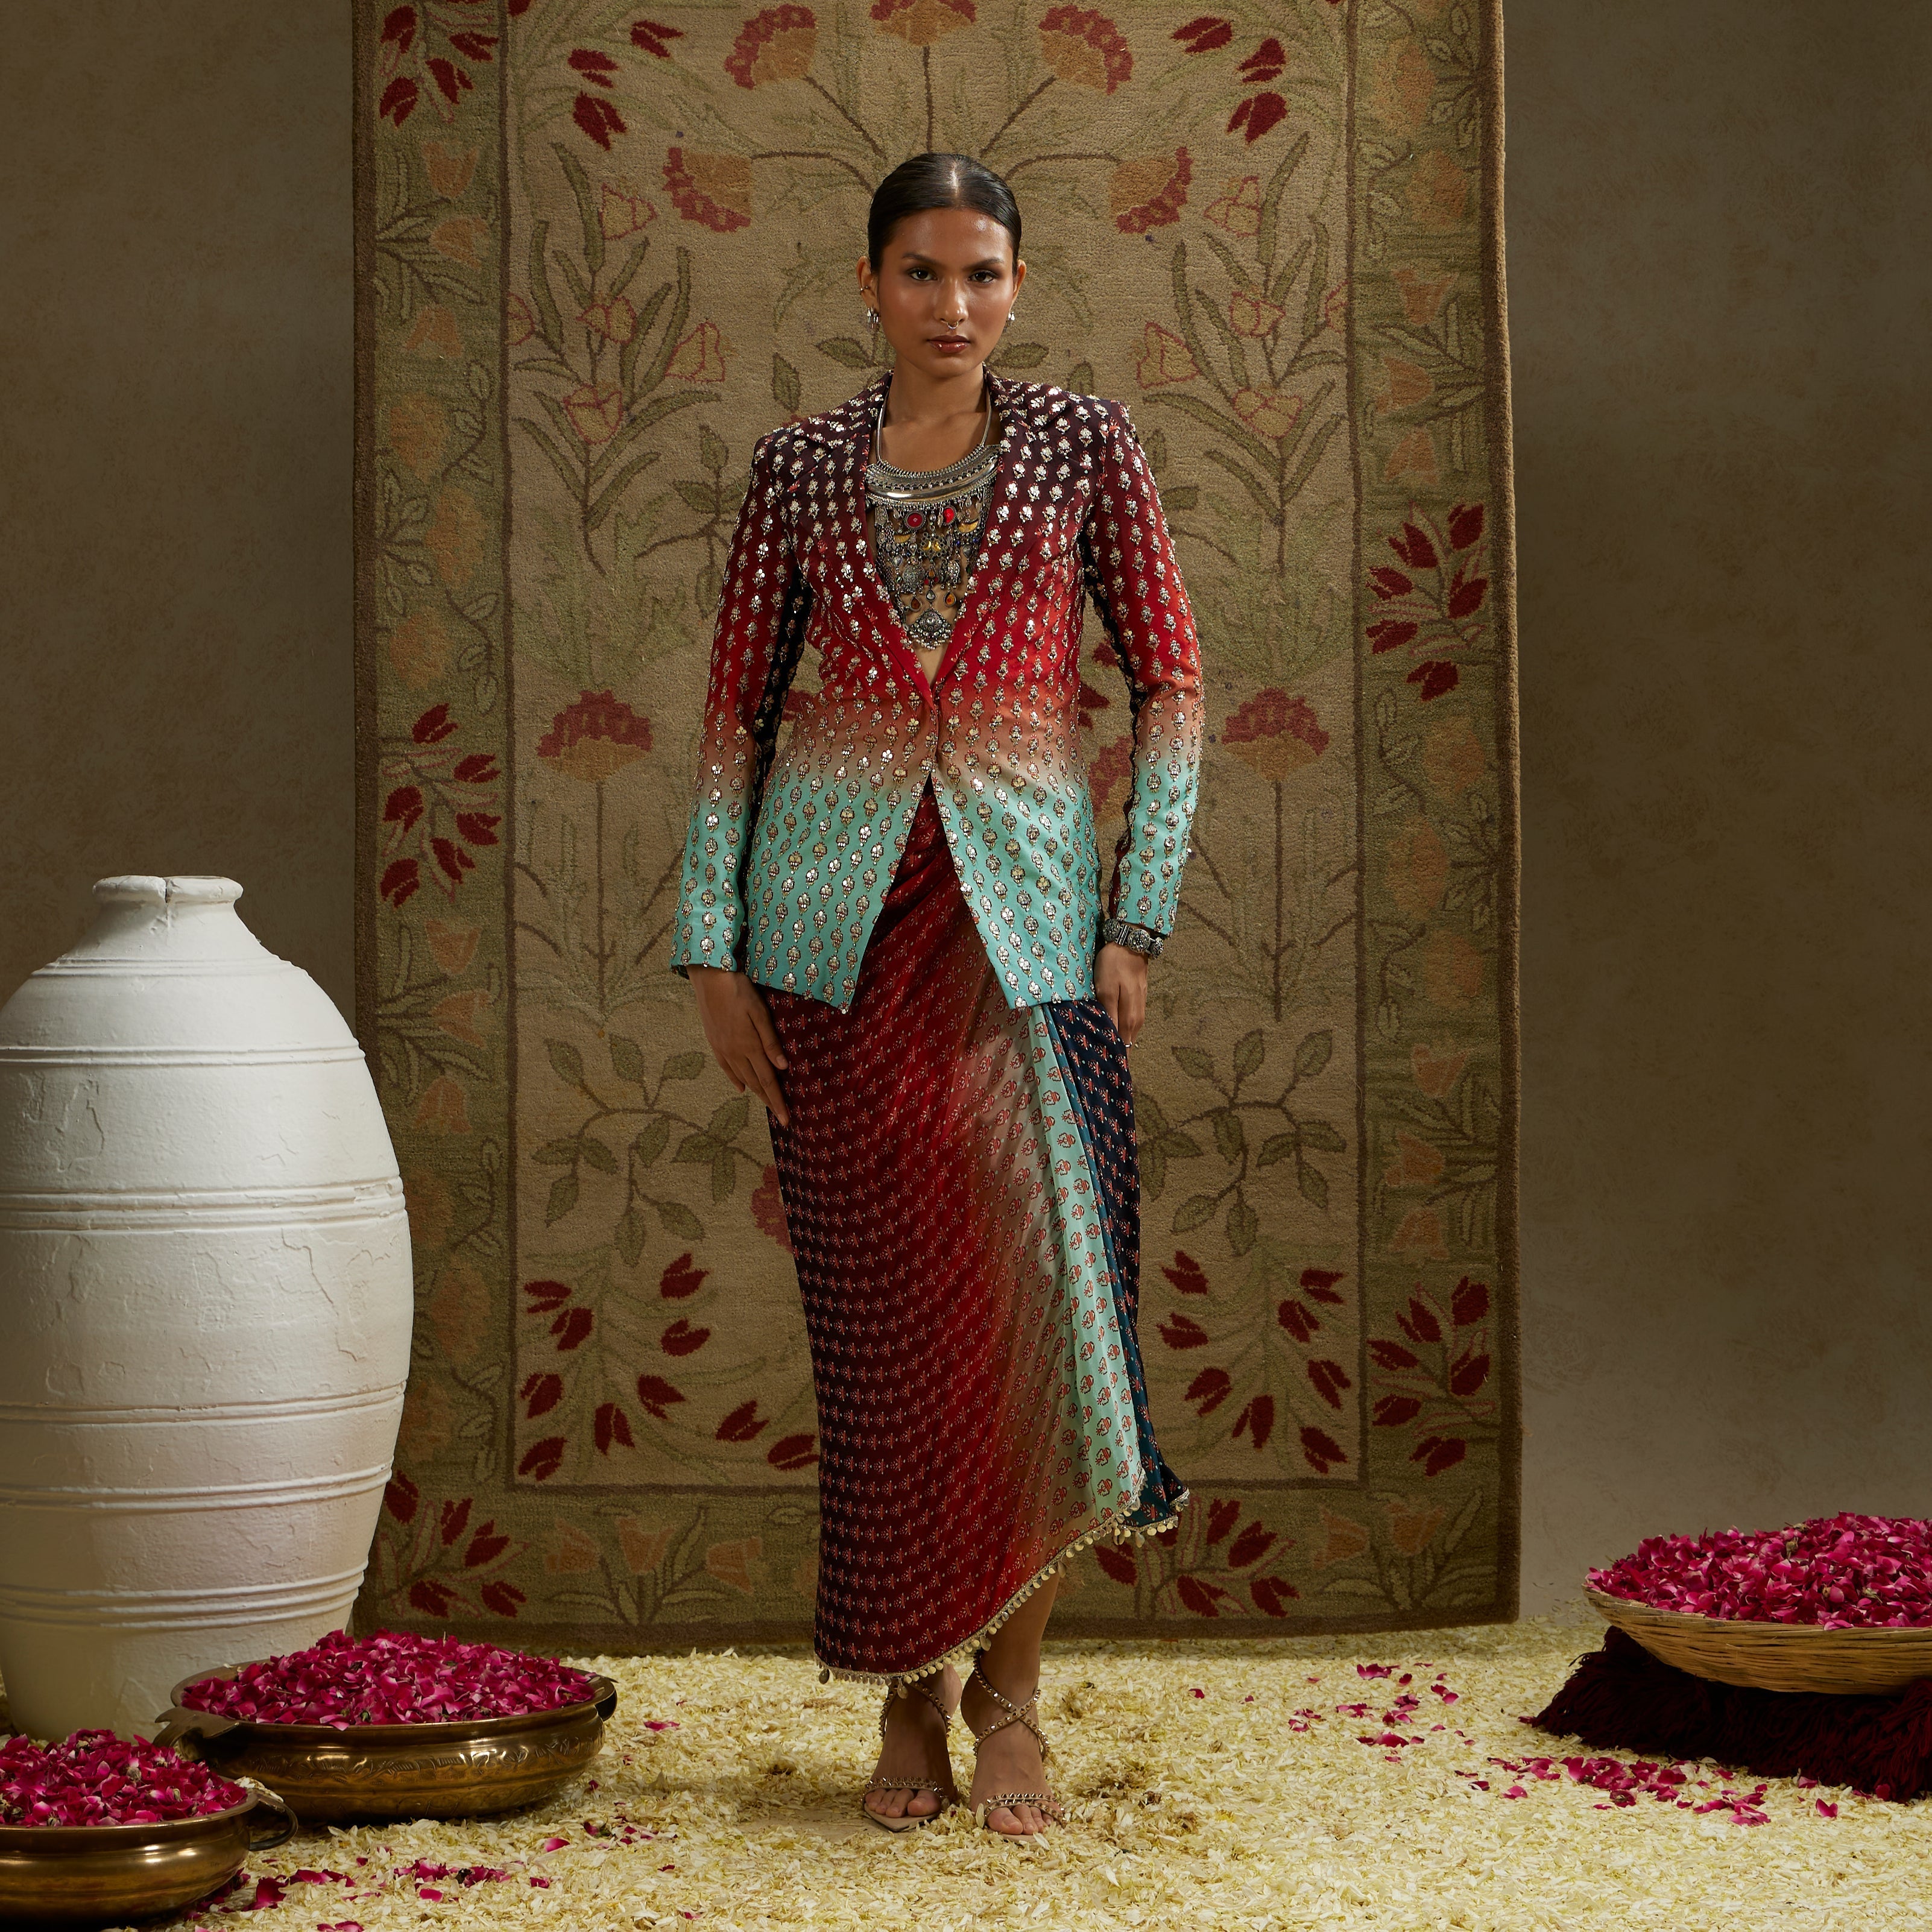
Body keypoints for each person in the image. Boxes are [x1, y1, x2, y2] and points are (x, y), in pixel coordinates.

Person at [669, 151, 1203, 1838]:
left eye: (981, 274)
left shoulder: (1081, 446)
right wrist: (712, 942)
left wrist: (1140, 914)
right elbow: (734, 714)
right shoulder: (799, 468)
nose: (952, 305)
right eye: (921, 273)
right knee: (889, 1321)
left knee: (1041, 1307)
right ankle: (907, 1689)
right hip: (832, 939)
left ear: (1018, 286)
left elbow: (1173, 681)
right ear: (867, 285)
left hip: (1029, 932)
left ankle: (1016, 1697)